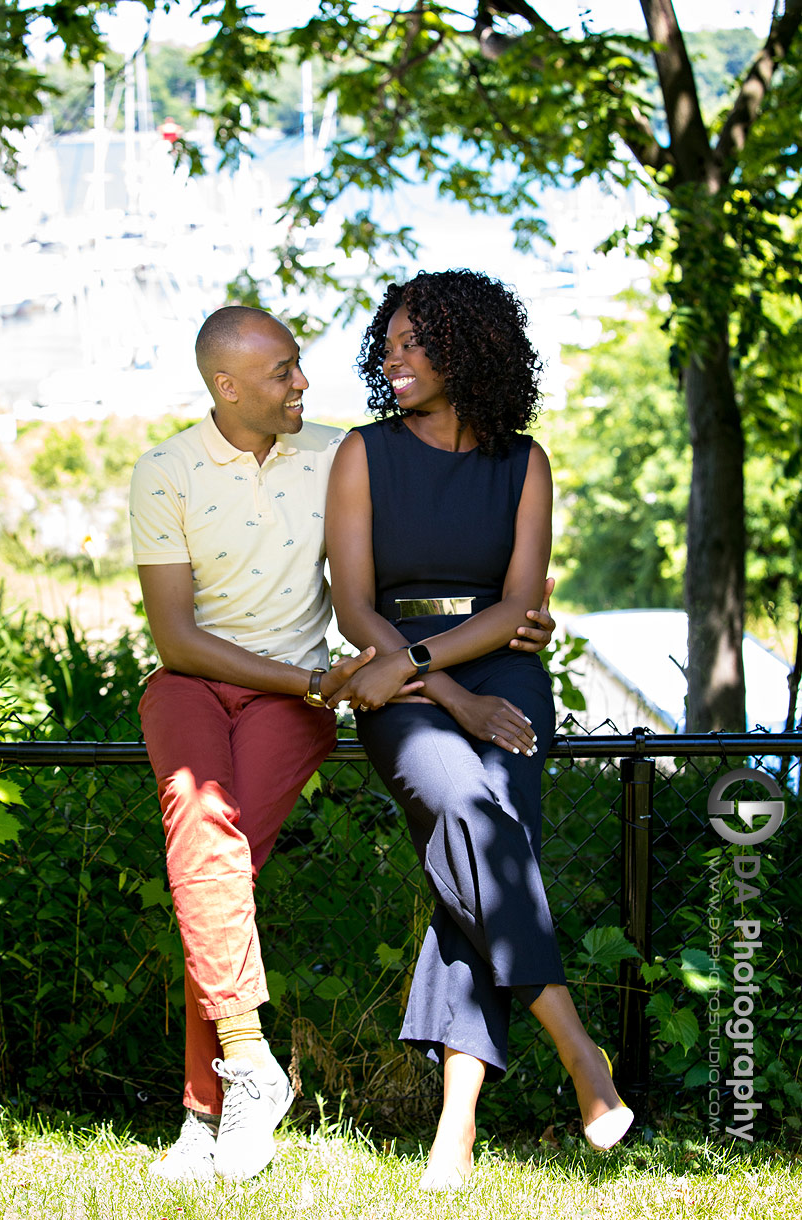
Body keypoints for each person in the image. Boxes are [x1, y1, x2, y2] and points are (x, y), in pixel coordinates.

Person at [129, 303, 555, 1184]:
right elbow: (174, 639)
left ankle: (209, 1109)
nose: (303, 381)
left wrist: (516, 622)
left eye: (298, 365)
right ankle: (239, 1076)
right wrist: (327, 680)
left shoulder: (341, 452)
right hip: (213, 684)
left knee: (216, 877)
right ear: (227, 385)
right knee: (203, 839)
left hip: (305, 693)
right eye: (283, 370)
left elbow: (453, 525)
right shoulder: (164, 470)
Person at [325, 269, 633, 1192]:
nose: (394, 354)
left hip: (497, 666)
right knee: (468, 810)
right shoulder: (363, 453)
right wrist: (442, 692)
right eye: (391, 339)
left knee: (484, 857)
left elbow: (516, 606)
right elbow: (350, 603)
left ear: (470, 349)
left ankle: (453, 1129)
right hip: (396, 669)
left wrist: (445, 673)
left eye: (417, 341)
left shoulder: (523, 461)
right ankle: (582, 1056)